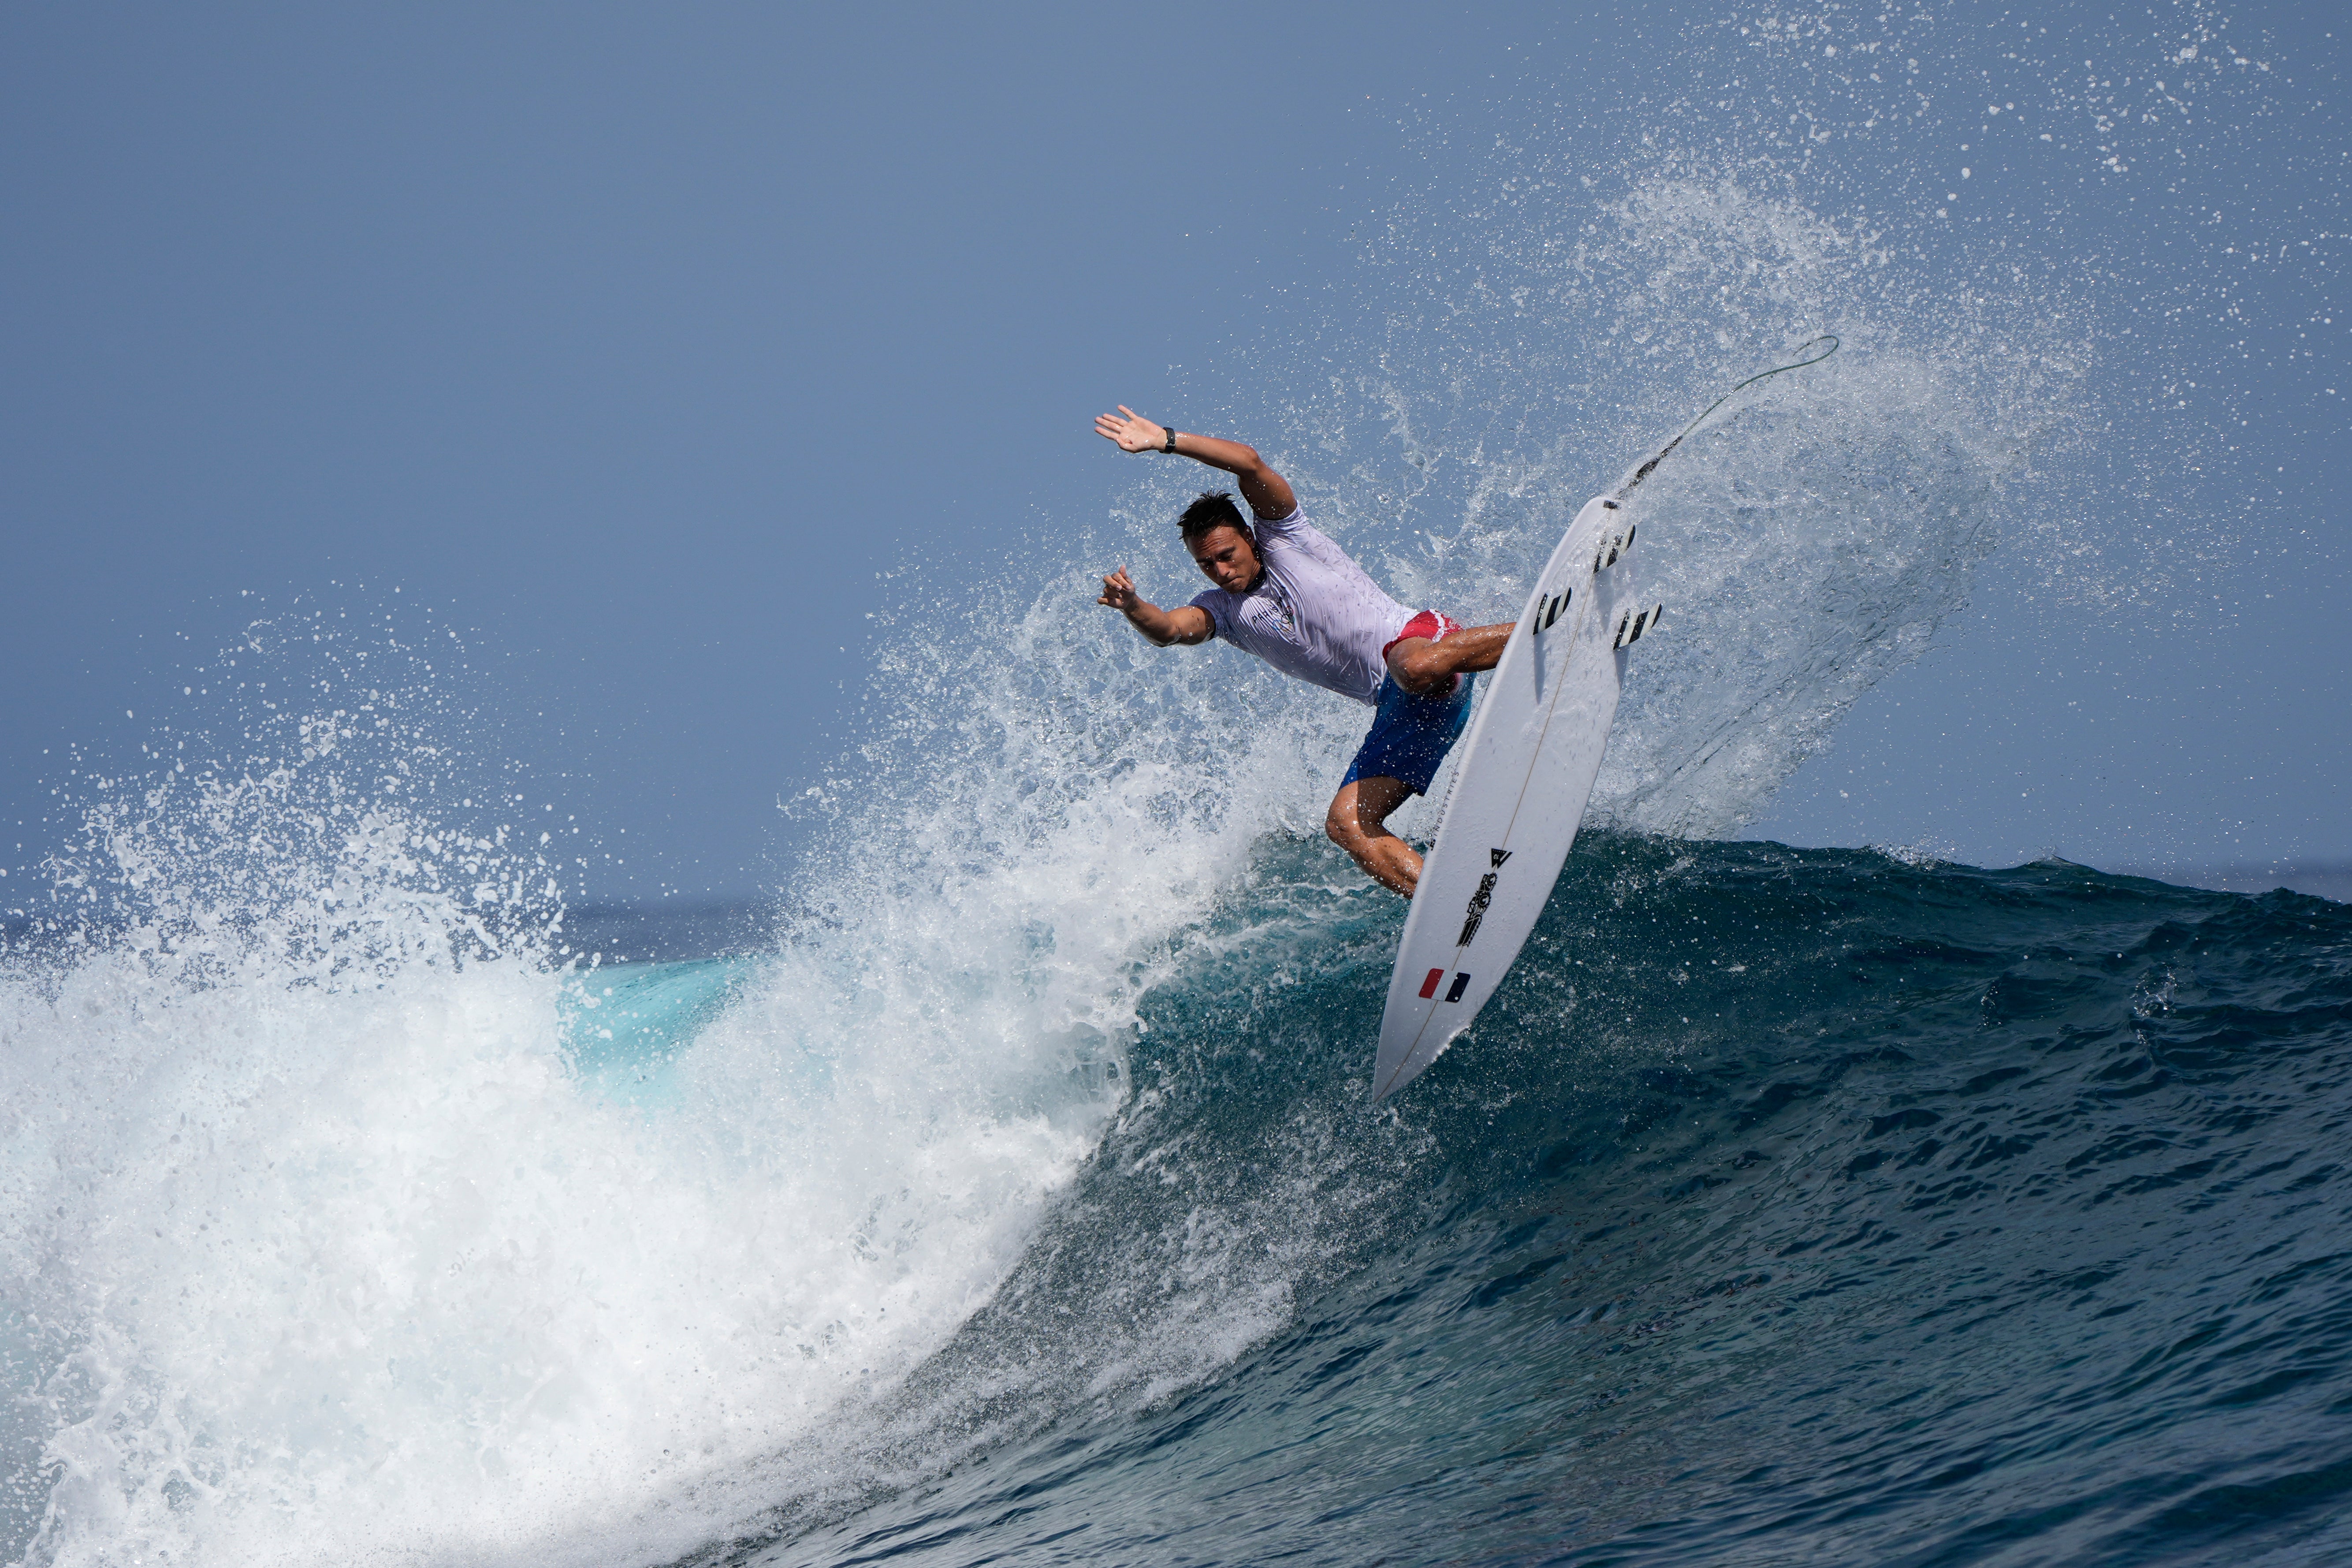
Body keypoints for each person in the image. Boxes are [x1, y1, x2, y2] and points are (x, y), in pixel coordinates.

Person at [1093, 405, 1512, 898]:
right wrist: (1131, 605)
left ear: (1249, 538)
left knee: (1411, 665)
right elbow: (1167, 629)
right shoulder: (1223, 612)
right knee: (1345, 824)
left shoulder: (1285, 536)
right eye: (1206, 565)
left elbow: (1248, 464)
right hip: (1402, 707)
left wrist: (1165, 439)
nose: (1220, 571)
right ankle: (1451, 905)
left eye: (1226, 555)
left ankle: (1553, 622)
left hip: (1423, 646)